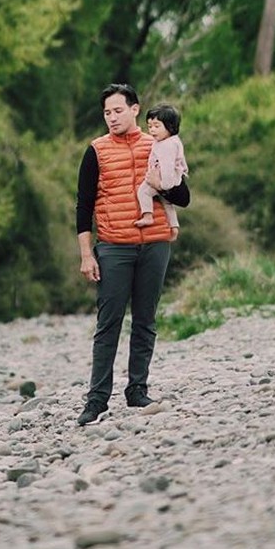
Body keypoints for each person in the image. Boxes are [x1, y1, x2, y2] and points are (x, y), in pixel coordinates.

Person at [75, 83, 190, 426]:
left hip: (155, 244)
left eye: (118, 110)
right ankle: (97, 399)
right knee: (108, 323)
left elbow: (184, 197)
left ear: (136, 109)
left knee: (145, 320)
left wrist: (163, 183)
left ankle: (137, 391)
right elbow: (83, 205)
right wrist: (86, 255)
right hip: (113, 247)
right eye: (107, 113)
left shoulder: (161, 144)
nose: (111, 118)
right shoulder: (96, 150)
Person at [136, 104, 188, 239]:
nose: (152, 130)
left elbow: (167, 166)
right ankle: (174, 227)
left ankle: (147, 215)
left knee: (143, 192)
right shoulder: (172, 141)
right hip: (169, 179)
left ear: (170, 126)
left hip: (162, 179)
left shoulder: (167, 145)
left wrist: (162, 185)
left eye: (157, 126)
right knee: (167, 203)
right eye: (150, 126)